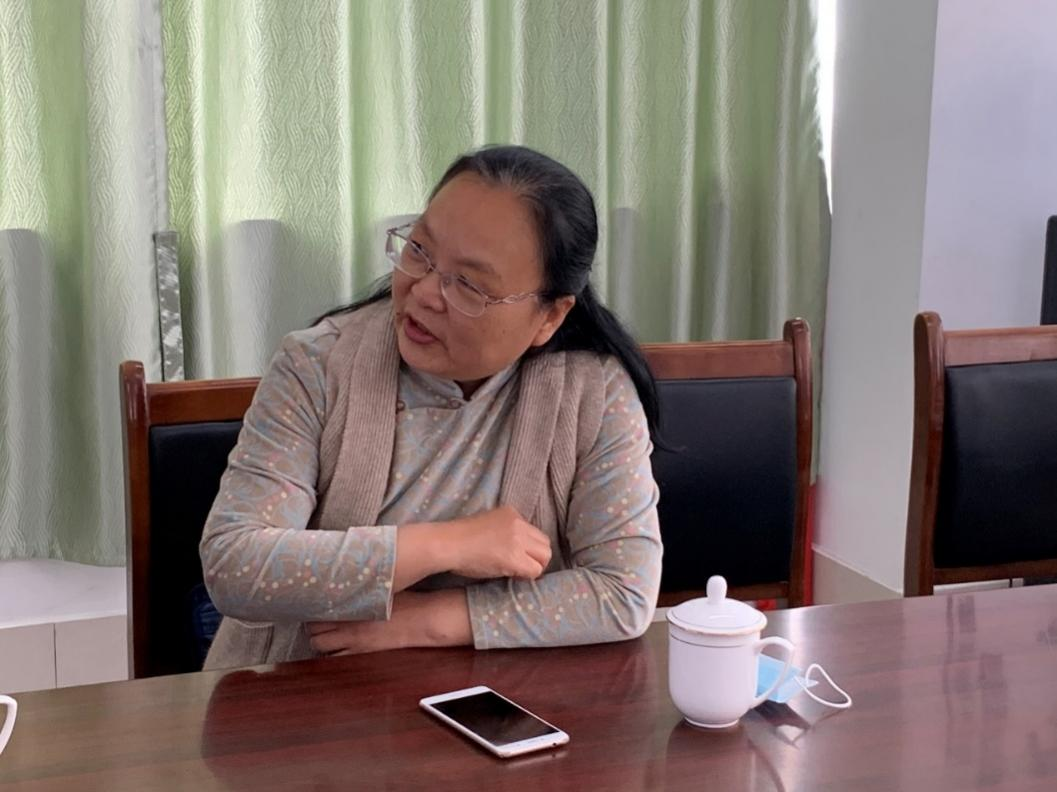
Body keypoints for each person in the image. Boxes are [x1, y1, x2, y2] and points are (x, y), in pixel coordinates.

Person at [200, 145, 663, 670]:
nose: (422, 292)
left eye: (469, 284)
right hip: (297, 690)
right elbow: (236, 565)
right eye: (419, 250)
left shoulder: (593, 392)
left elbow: (623, 592)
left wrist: (433, 619)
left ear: (550, 317)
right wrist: (449, 545)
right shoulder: (317, 366)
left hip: (489, 696)